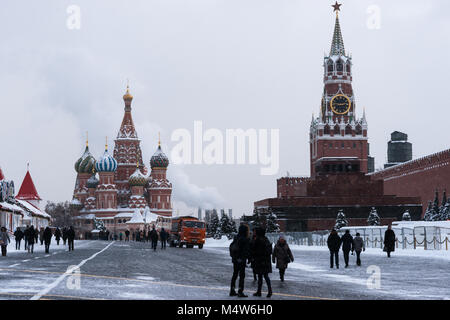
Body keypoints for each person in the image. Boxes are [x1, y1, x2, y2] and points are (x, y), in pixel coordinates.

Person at [250, 227, 273, 298]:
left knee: (260, 276)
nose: (254, 232)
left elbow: (254, 249)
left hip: (260, 260)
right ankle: (268, 291)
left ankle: (260, 291)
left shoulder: (258, 240)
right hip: (266, 261)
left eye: (255, 231)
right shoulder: (266, 239)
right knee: (265, 276)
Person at [229, 224, 250, 298]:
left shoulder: (236, 237)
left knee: (235, 274)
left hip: (235, 259)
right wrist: (247, 258)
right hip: (241, 260)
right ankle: (240, 291)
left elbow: (232, 247)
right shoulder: (245, 239)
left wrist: (235, 257)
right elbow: (246, 251)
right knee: (241, 275)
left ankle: (232, 290)